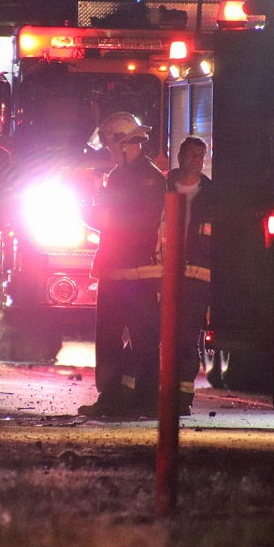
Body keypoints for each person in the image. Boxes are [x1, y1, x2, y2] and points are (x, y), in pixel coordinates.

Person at [78, 112, 166, 417]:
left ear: (126, 145)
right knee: (117, 338)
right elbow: (109, 220)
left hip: (135, 272)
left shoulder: (148, 178)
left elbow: (123, 221)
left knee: (141, 338)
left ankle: (138, 397)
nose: (111, 154)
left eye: (112, 149)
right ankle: (120, 397)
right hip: (118, 271)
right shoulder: (125, 176)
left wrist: (89, 209)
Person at [165, 136, 212, 416]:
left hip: (196, 282)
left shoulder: (213, 194)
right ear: (180, 156)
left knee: (187, 340)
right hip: (161, 275)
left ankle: (182, 399)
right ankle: (151, 393)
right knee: (154, 335)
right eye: (192, 154)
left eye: (201, 155)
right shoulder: (160, 186)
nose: (197, 159)